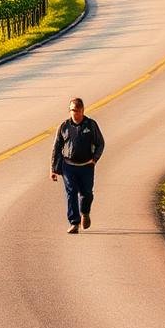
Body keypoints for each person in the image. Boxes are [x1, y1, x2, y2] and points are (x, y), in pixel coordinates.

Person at [50, 97, 105, 234]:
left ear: (82, 110)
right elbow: (56, 147)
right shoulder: (64, 127)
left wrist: (94, 159)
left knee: (86, 193)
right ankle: (74, 222)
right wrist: (53, 169)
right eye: (73, 110)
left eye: (78, 110)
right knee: (71, 193)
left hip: (86, 166)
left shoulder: (90, 125)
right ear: (69, 111)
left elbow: (100, 143)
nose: (75, 113)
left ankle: (85, 213)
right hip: (68, 166)